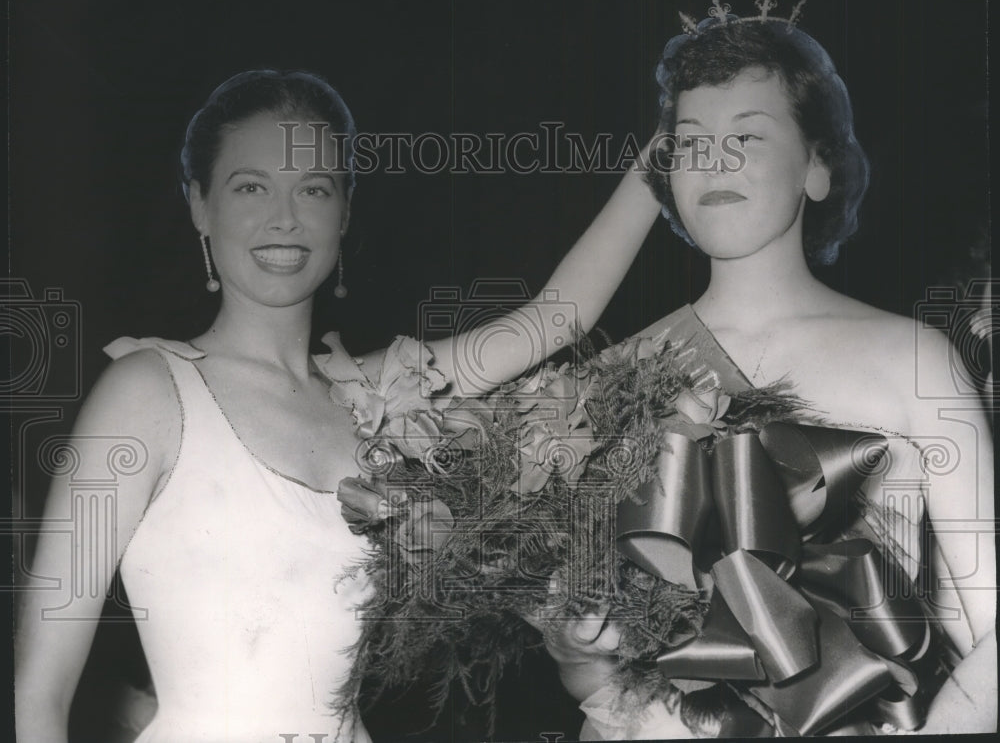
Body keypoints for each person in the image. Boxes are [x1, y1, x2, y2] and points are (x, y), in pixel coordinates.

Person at [13, 69, 662, 742]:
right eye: (250, 187)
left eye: (314, 189)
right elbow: (39, 694)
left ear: (345, 212)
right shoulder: (143, 393)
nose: (285, 218)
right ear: (199, 205)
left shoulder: (374, 394)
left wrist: (672, 147)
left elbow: (554, 323)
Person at [545, 0, 996, 737]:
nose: (715, 162)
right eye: (691, 143)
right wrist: (571, 648)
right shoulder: (612, 379)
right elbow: (597, 673)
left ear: (819, 165)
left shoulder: (914, 358)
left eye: (747, 136)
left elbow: (993, 632)